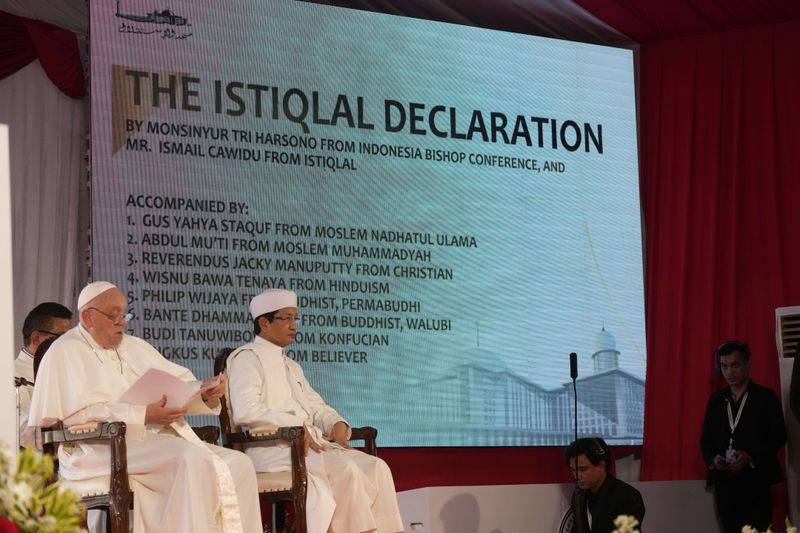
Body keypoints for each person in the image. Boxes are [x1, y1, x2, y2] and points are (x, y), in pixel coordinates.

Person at [28, 281, 262, 533]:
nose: (122, 322)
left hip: (149, 441)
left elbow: (177, 383)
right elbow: (76, 414)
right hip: (96, 448)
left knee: (239, 464)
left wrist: (204, 391)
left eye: (124, 314)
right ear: (88, 316)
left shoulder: (134, 346)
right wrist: (141, 415)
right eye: (114, 315)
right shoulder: (64, 351)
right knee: (189, 459)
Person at [227, 288, 404, 533]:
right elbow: (246, 411)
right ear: (264, 323)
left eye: (295, 318)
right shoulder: (247, 358)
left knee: (377, 468)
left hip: (310, 447)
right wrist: (295, 427)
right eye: (286, 318)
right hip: (273, 448)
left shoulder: (291, 366)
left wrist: (337, 425)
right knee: (345, 470)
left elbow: (315, 407)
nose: (294, 325)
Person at [700, 340, 787, 533]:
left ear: (748, 364)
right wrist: (713, 459)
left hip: (757, 480)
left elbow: (779, 436)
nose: (729, 372)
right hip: (725, 482)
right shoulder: (716, 400)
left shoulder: (766, 397)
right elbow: (705, 439)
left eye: (735, 365)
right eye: (724, 366)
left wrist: (750, 456)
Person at [14, 302, 72, 447]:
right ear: (36, 338)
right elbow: (23, 433)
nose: (69, 344)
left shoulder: (67, 369)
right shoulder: (12, 375)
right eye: (62, 337)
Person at [564, 437, 645, 533]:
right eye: (573, 470)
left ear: (601, 466)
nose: (577, 476)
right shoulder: (579, 496)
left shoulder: (627, 496)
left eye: (583, 469)